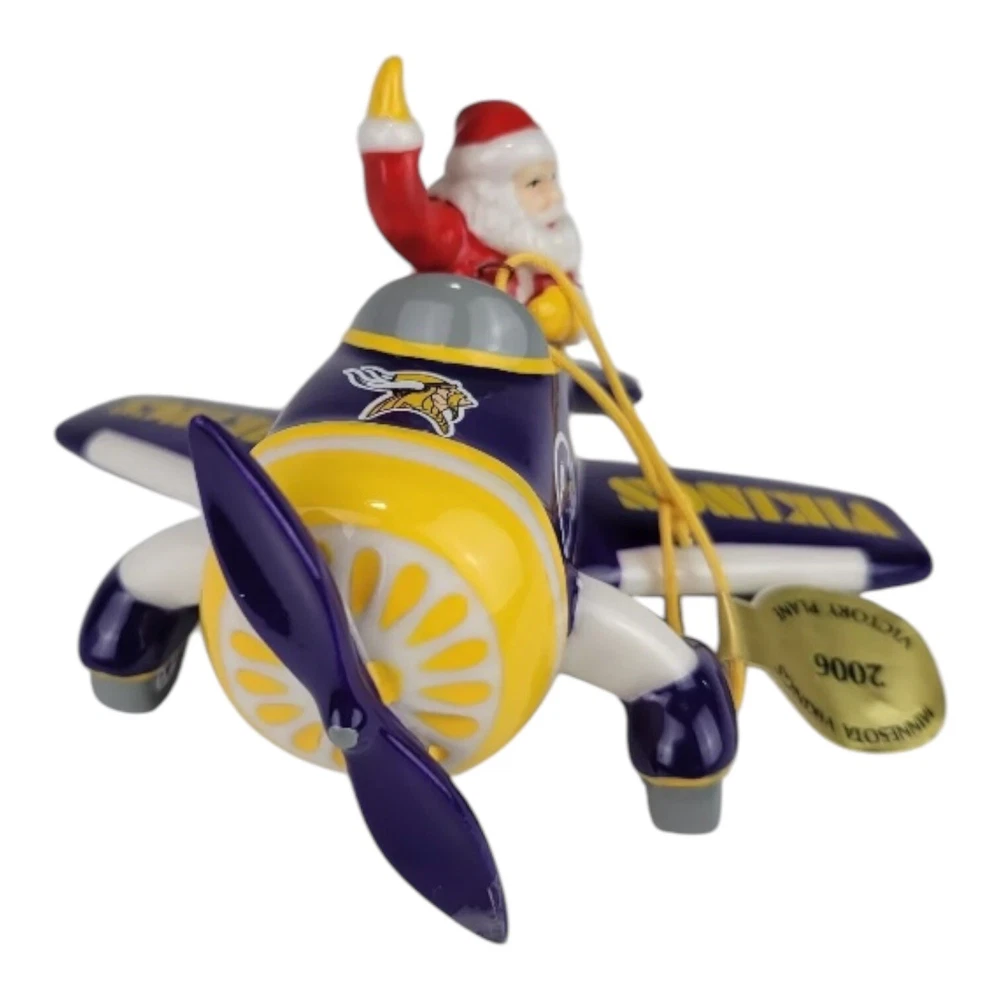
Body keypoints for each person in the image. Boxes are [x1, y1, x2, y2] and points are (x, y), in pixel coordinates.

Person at [358, 57, 583, 344]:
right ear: (490, 192)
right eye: (535, 183)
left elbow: (572, 299)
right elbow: (405, 221)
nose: (555, 196)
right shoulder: (457, 237)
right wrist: (390, 151)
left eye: (553, 178)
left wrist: (562, 315)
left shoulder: (548, 250)